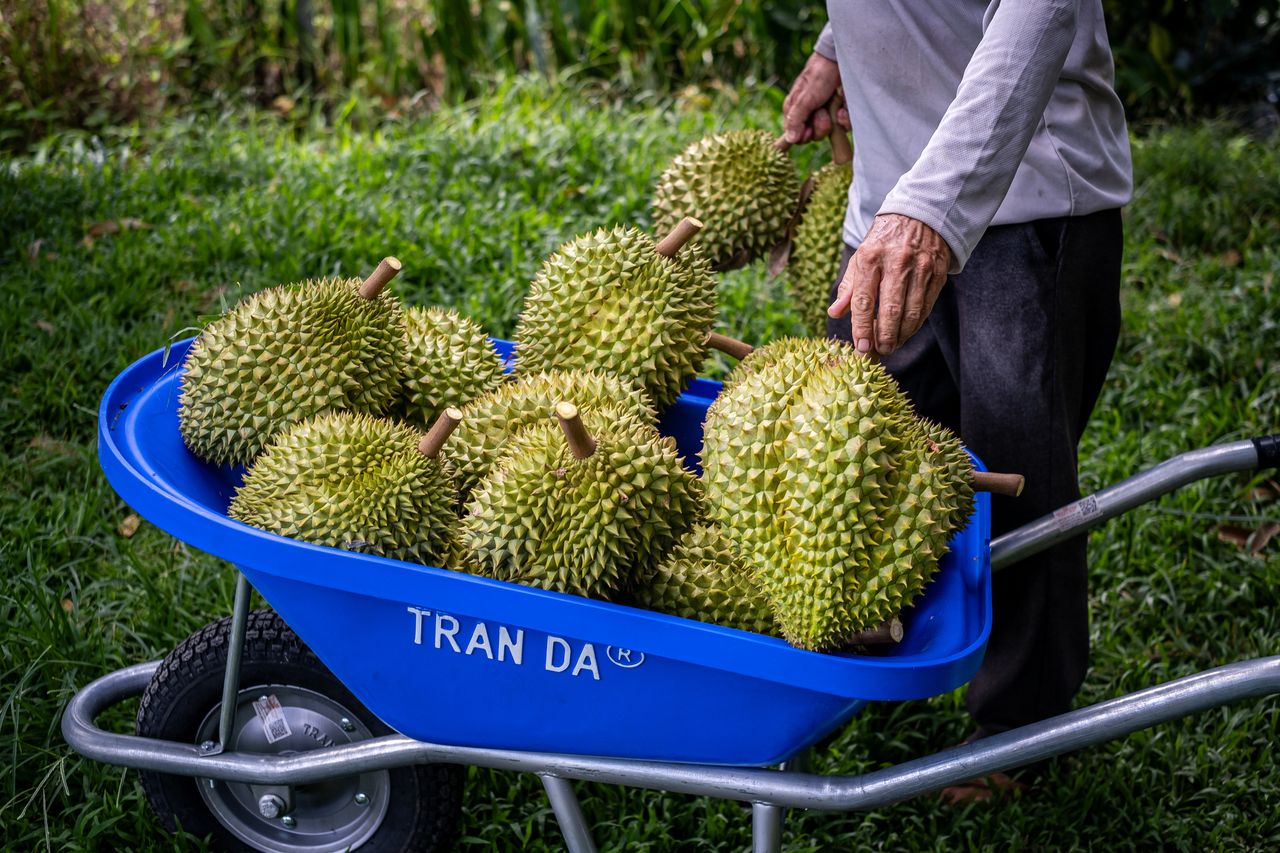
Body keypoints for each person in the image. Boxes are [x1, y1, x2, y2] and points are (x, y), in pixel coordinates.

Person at [782, 0, 1133, 800]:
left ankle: (1021, 724)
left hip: (1025, 196)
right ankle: (866, 638)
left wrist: (933, 210)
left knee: (1016, 475)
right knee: (861, 446)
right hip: (887, 188)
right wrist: (842, 48)